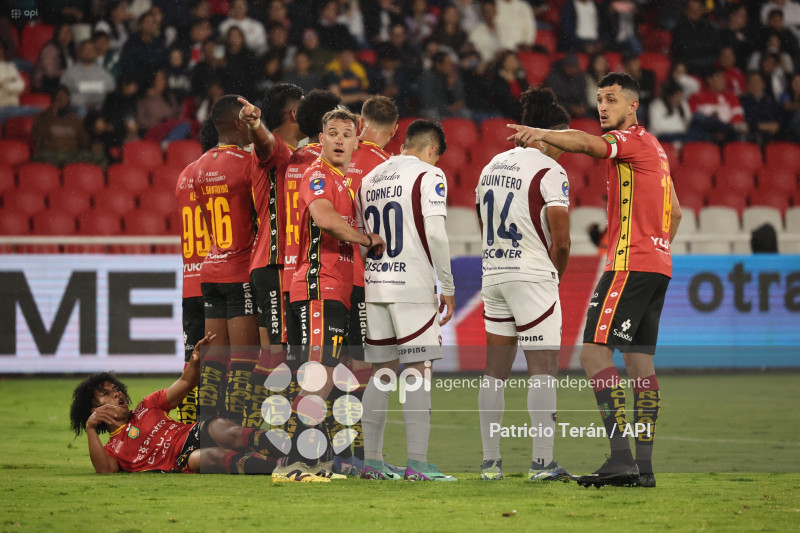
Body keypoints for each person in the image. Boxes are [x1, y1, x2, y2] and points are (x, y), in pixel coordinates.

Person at [507, 72, 682, 488]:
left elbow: (588, 144)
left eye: (612, 99)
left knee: (592, 356)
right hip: (657, 265)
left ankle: (621, 458)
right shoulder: (656, 149)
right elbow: (674, 211)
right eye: (600, 99)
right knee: (641, 365)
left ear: (632, 106)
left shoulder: (631, 141)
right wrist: (655, 248)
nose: (603, 106)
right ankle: (643, 467)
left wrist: (540, 132)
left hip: (628, 265)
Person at [273, 108, 385, 481]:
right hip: (319, 286)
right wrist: (366, 239)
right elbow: (324, 218)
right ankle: (293, 460)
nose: (339, 140)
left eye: (346, 134)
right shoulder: (318, 175)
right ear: (320, 140)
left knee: (330, 375)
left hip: (336, 289)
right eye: (332, 133)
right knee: (317, 374)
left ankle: (315, 458)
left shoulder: (342, 182)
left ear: (357, 140)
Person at [69, 333, 327, 481]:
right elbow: (105, 471)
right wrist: (91, 430)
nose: (116, 393)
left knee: (222, 429)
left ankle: (296, 452)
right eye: (106, 394)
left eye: (116, 389)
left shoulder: (148, 406)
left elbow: (186, 381)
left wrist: (194, 361)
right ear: (94, 412)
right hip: (179, 462)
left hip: (192, 433)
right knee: (210, 456)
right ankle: (284, 469)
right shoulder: (113, 450)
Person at [476, 87, 571, 482]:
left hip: (493, 273)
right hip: (532, 275)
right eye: (563, 138)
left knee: (494, 371)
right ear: (549, 133)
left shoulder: (491, 165)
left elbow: (483, 224)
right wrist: (554, 278)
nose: (565, 148)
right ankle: (542, 464)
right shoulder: (551, 169)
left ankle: (490, 464)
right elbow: (562, 240)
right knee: (544, 367)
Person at [357, 119, 456, 482]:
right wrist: (447, 285)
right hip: (412, 287)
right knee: (418, 373)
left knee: (380, 375)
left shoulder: (370, 179)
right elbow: (435, 232)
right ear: (433, 150)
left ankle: (372, 463)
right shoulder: (430, 175)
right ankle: (418, 465)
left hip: (375, 285)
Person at [191, 95, 275, 426]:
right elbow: (261, 215)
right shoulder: (245, 164)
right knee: (244, 360)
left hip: (210, 271)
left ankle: (207, 427)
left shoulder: (198, 168)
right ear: (240, 124)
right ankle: (241, 432)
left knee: (213, 360)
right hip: (240, 272)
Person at [331, 95, 398, 474]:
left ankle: (320, 446)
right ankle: (354, 451)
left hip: (326, 276)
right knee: (364, 369)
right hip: (366, 279)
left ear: (360, 122)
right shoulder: (390, 168)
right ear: (395, 130)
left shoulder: (331, 157)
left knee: (325, 365)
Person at [246, 83, 302, 427]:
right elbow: (264, 142)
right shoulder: (275, 149)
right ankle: (261, 431)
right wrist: (255, 124)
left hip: (283, 264)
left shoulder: (300, 154)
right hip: (275, 262)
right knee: (276, 354)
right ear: (295, 113)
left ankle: (263, 430)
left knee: (281, 353)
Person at [60, 40, 116, 118]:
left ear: (96, 53)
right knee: (81, 110)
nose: (88, 52)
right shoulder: (69, 73)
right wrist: (82, 103)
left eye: (91, 49)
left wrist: (96, 104)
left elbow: (110, 93)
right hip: (76, 108)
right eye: (85, 49)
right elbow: (63, 95)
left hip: (99, 108)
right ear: (79, 52)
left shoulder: (105, 74)